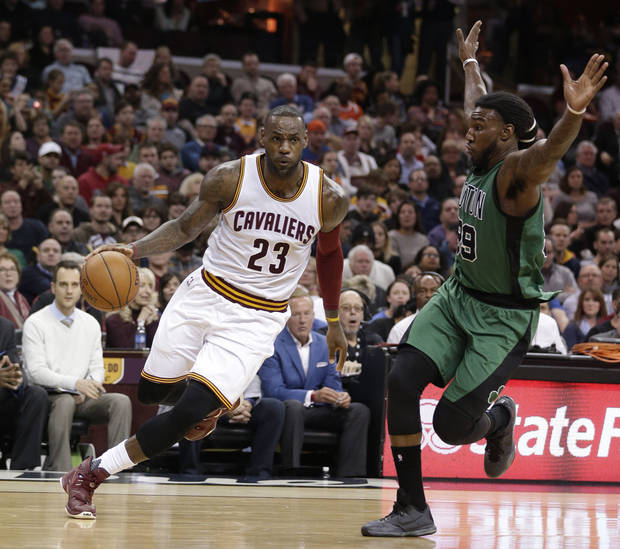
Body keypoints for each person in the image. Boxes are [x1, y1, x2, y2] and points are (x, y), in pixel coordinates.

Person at [361, 21, 608, 537]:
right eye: (469, 125)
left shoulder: (518, 175)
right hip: (457, 297)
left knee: (452, 427)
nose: (466, 132)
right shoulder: (484, 149)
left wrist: (575, 113)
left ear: (507, 135)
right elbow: (479, 100)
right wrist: (469, 63)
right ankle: (412, 508)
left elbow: (548, 155)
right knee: (401, 381)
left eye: (478, 127)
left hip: (502, 317)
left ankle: (500, 419)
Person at [60, 105, 349, 518]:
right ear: (262, 137)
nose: (285, 148)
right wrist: (134, 249)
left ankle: (91, 473)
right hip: (205, 292)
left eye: (293, 140)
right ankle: (213, 399)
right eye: (276, 138)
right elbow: (183, 227)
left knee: (187, 413)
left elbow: (330, 255)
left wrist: (334, 320)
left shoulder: (328, 197)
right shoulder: (229, 178)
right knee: (152, 391)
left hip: (258, 317)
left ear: (306, 141)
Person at [22, 260, 132, 472]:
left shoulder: (90, 323)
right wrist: (75, 385)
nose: (69, 290)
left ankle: (115, 469)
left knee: (121, 402)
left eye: (74, 285)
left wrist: (89, 386)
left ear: (82, 289)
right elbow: (36, 373)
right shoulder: (35, 322)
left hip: (84, 396)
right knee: (64, 402)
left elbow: (97, 367)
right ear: (53, 288)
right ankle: (61, 470)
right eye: (63, 285)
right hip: (49, 396)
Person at [259, 290, 369, 477]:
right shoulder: (273, 345)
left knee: (359, 410)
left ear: (313, 315)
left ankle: (350, 475)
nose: (302, 320)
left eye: (307, 313)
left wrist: (339, 396)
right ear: (286, 318)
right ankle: (291, 470)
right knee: (293, 407)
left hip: (320, 408)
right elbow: (273, 391)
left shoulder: (325, 343)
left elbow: (333, 382)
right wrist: (311, 395)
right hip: (290, 409)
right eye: (296, 314)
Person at [0, 315, 48, 470]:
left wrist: (16, 377)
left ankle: (22, 468)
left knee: (36, 395)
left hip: (4, 399)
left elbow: (16, 367)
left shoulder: (5, 326)